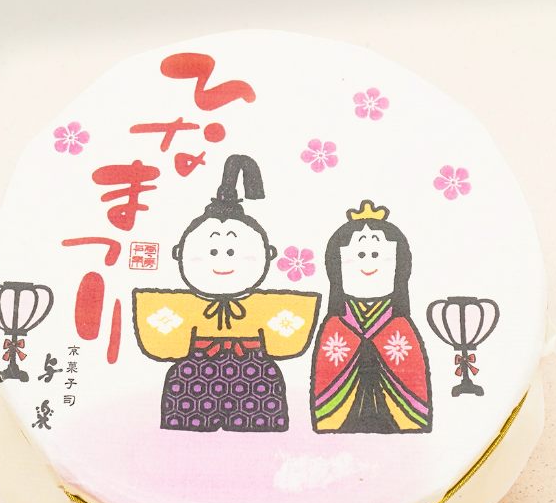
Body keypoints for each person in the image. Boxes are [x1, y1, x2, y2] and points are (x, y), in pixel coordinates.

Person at [133, 155, 319, 432]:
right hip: (194, 377)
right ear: (179, 254)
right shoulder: (184, 304)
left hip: (255, 377)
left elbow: (288, 332)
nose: (222, 260)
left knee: (256, 430)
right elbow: (162, 336)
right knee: (189, 430)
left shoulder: (264, 305)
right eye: (211, 251)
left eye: (232, 251)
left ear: (268, 254)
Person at [311, 200, 431, 433]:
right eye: (359, 255)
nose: (368, 262)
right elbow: (327, 375)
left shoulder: (400, 325)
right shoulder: (336, 324)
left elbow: (411, 376)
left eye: (377, 254)